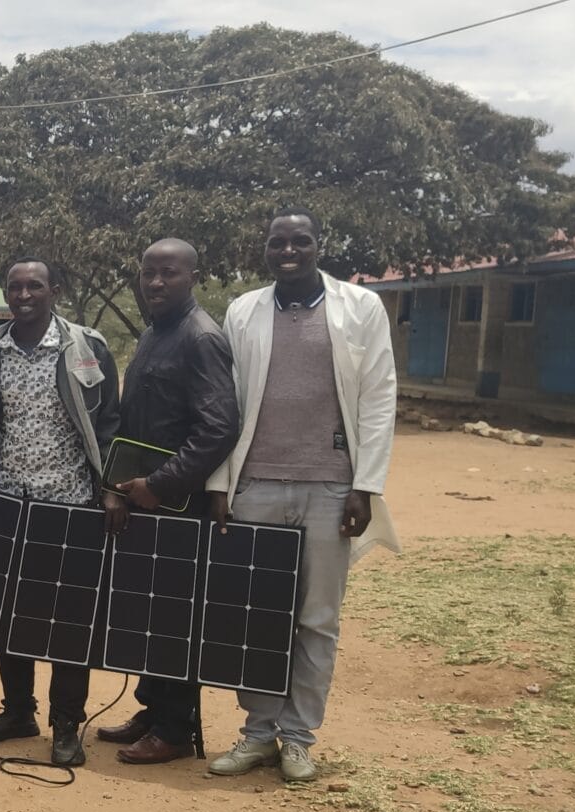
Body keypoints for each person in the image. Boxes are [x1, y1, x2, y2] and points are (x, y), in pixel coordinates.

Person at [205, 209, 400, 782]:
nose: (288, 250)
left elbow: (379, 397)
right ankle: (258, 735)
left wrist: (366, 486)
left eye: (300, 241)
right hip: (256, 484)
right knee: (255, 615)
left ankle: (298, 739)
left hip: (331, 487)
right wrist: (221, 484)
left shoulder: (360, 308)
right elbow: (226, 404)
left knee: (317, 619)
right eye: (277, 242)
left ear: (319, 246)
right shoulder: (244, 310)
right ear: (265, 249)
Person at [0, 258, 121, 767]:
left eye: (35, 285)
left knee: (69, 622)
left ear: (56, 288)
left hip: (72, 503)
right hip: (9, 501)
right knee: (8, 615)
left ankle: (67, 724)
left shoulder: (85, 346)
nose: (24, 294)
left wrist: (111, 488)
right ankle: (18, 711)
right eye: (15, 286)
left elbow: (111, 424)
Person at [97, 238, 240, 766]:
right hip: (146, 500)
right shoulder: (159, 333)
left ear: (192, 278)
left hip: (179, 506)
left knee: (176, 616)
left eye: (168, 274)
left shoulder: (200, 338)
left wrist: (162, 485)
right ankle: (153, 710)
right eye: (148, 273)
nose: (155, 283)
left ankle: (176, 729)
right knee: (149, 612)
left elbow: (219, 427)